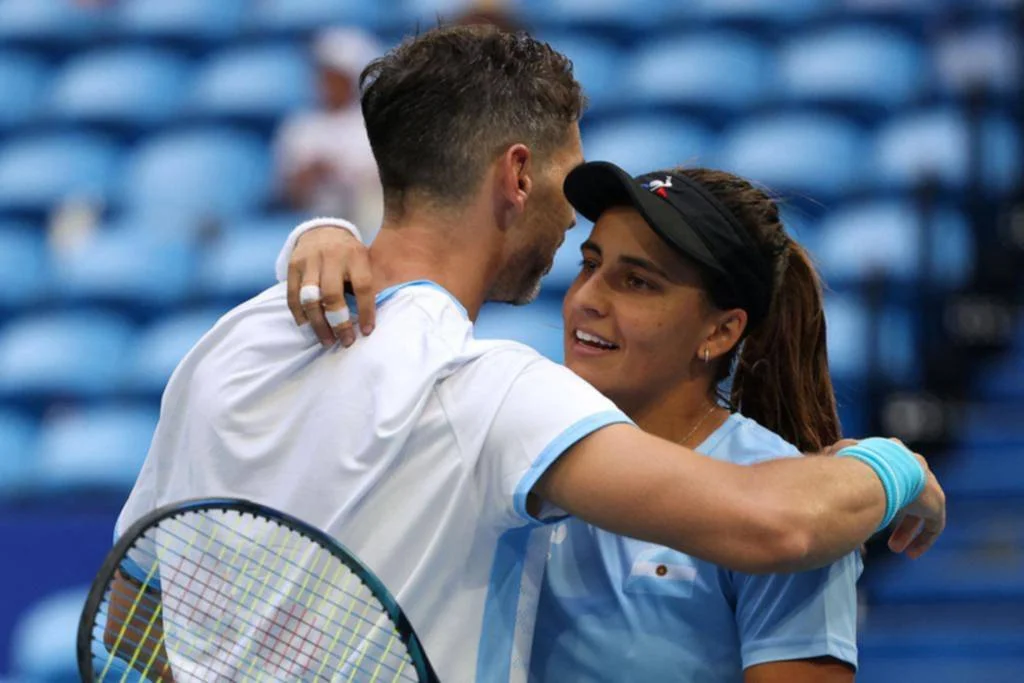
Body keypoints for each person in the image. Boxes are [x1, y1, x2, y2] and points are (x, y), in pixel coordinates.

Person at [116, 25, 943, 682]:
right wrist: (896, 464)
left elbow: (129, 617)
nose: (575, 260)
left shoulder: (228, 345)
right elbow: (772, 522)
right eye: (567, 188)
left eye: (639, 279)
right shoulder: (493, 393)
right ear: (516, 176)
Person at [276, 163, 861, 682]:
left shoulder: (794, 499)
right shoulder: (507, 436)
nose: (587, 298)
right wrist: (325, 233)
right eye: (590, 264)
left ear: (720, 331)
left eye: (637, 282)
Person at [273, 26, 383, 233]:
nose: (327, 83)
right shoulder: (300, 127)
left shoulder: (374, 124)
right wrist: (308, 176)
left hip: (367, 223)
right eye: (324, 75)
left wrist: (338, 173)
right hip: (312, 222)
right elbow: (287, 192)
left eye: (336, 75)